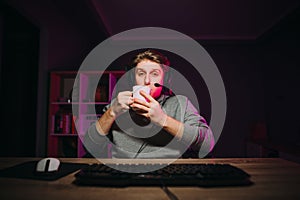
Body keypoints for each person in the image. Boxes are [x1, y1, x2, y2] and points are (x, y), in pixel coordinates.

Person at [84, 49, 215, 158]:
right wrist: (111, 112)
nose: (147, 80)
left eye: (154, 74)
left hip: (168, 174)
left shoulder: (180, 103)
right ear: (132, 78)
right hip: (123, 173)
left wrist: (163, 120)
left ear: (165, 79)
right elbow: (90, 146)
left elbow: (208, 144)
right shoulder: (117, 105)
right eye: (141, 74)